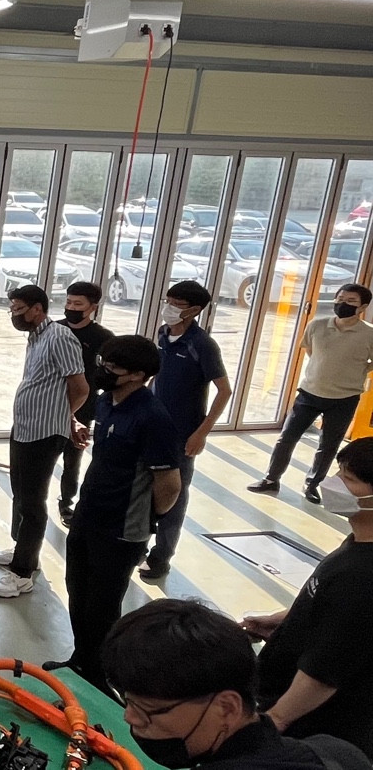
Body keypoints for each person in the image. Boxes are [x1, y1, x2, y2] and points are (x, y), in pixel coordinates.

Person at [43, 335, 181, 692]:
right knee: (78, 593)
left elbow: (169, 485)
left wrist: (145, 517)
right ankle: (81, 660)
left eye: (113, 367)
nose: (104, 370)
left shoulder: (153, 417)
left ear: (138, 375)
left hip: (121, 529)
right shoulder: (106, 402)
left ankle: (100, 677)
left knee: (102, 608)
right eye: (103, 362)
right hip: (88, 515)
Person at [105, 599, 373, 770]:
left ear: (227, 707)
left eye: (148, 709)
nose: (130, 717)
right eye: (129, 701)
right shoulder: (339, 753)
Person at [244, 438, 373, 757]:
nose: (334, 483)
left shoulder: (362, 576)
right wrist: (286, 621)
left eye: (349, 479)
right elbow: (337, 613)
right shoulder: (359, 539)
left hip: (314, 725)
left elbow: (324, 673)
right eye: (339, 471)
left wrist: (275, 720)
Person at [0, 284, 88, 599]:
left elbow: (80, 387)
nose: (14, 315)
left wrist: (65, 418)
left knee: (33, 502)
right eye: (12, 309)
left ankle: (23, 572)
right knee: (20, 493)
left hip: (44, 434)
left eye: (19, 309)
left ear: (37, 308)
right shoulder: (36, 338)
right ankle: (23, 549)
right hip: (25, 429)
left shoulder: (59, 337)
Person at [249, 285, 373, 504]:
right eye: (340, 298)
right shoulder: (317, 325)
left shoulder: (369, 333)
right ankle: (271, 479)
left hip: (344, 399)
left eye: (350, 301)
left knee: (328, 445)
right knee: (286, 438)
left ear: (362, 307)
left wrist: (355, 371)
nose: (342, 303)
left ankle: (312, 484)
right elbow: (311, 351)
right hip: (309, 393)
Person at [143, 281, 233, 582]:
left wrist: (201, 433)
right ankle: (138, 542)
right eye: (167, 301)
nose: (168, 308)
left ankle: (161, 556)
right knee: (143, 487)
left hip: (182, 433)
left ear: (193, 310)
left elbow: (224, 391)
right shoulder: (163, 333)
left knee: (174, 494)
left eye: (176, 304)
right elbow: (157, 376)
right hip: (152, 426)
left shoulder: (202, 344)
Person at [58, 281, 116, 526]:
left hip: (83, 406)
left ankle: (66, 502)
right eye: (68, 302)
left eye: (78, 304)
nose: (71, 308)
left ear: (93, 307)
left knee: (72, 459)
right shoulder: (54, 329)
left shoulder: (103, 338)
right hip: (49, 403)